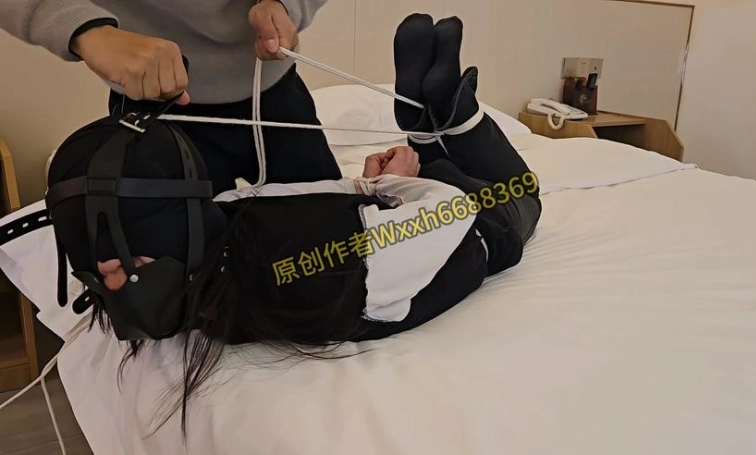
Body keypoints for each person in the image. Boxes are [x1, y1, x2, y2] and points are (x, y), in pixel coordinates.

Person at [46, 14, 542, 434]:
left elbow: (270, 196)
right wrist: (396, 185)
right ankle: (450, 113)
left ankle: (431, 122)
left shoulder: (224, 235)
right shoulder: (312, 268)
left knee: (439, 171)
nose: (108, 275)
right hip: (474, 230)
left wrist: (365, 187)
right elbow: (446, 214)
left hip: (383, 223)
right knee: (522, 193)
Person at [0, 0, 341, 194]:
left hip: (272, 92)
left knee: (332, 251)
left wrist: (284, 4)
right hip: (152, 109)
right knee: (185, 285)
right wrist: (86, 32)